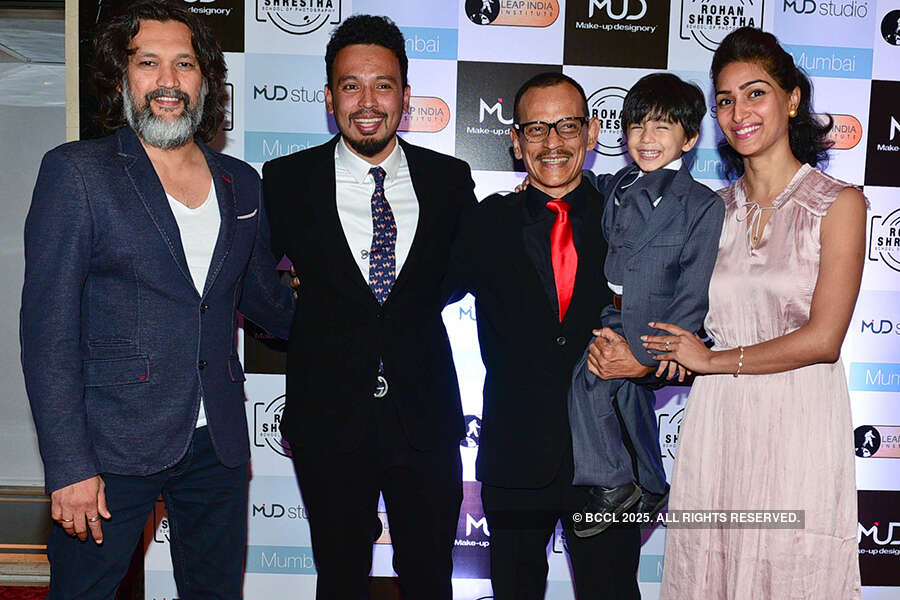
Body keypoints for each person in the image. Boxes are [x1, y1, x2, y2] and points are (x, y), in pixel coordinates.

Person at [20, 2, 294, 598]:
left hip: (217, 442)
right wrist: (69, 466)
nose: (168, 81)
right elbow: (47, 334)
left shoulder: (242, 182)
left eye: (184, 64)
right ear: (121, 76)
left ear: (206, 80)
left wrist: (348, 297)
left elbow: (264, 300)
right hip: (108, 446)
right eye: (148, 63)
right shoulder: (78, 173)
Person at [635, 27, 864, 598]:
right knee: (711, 573)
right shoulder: (707, 211)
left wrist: (711, 361)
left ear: (792, 99)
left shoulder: (838, 204)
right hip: (719, 425)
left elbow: (824, 340)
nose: (739, 113)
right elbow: (650, 293)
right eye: (725, 100)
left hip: (800, 422)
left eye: (755, 93)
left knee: (792, 571)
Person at [262, 15, 476, 599]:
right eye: (351, 85)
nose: (367, 102)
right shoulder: (286, 180)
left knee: (430, 577)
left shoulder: (450, 180)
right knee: (339, 577)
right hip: (327, 417)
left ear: (405, 97)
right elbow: (252, 281)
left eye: (383, 85)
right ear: (329, 96)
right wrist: (303, 314)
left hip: (425, 414)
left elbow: (462, 275)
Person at [446, 72, 641, 599]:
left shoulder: (630, 223)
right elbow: (418, 293)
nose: (552, 142)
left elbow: (679, 318)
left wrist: (646, 359)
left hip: (608, 461)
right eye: (536, 129)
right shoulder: (485, 223)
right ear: (516, 141)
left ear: (592, 132)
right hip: (514, 456)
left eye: (567, 126)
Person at [567, 73, 725, 537]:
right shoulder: (618, 183)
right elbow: (588, 185)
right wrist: (541, 187)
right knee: (628, 398)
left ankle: (612, 482)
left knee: (589, 383)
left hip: (656, 324)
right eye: (636, 126)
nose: (646, 138)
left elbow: (695, 287)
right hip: (613, 312)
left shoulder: (701, 205)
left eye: (661, 127)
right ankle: (653, 484)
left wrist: (664, 346)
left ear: (689, 139)